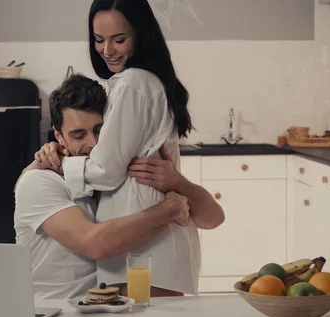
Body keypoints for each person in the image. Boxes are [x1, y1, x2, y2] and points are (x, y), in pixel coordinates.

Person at [34, 0, 224, 296]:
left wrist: (60, 160)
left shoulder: (133, 83)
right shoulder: (146, 82)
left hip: (146, 248)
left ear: (140, 35)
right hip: (150, 246)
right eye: (99, 40)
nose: (107, 50)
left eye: (119, 39)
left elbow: (106, 170)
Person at [15, 74, 223, 300]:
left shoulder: (112, 175)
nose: (93, 143)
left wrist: (178, 183)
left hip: (102, 311)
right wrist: (170, 209)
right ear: (59, 136)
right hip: (56, 315)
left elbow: (214, 218)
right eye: (78, 134)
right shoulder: (40, 181)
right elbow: (94, 243)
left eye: (99, 130)